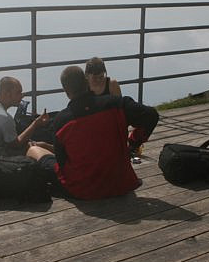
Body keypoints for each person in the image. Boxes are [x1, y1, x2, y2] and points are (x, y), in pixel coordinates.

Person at [27, 65, 159, 200]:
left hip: (83, 190)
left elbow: (63, 164)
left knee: (34, 150)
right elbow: (151, 115)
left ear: (66, 91)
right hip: (121, 184)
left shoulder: (61, 121)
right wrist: (132, 144)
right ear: (86, 82)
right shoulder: (117, 104)